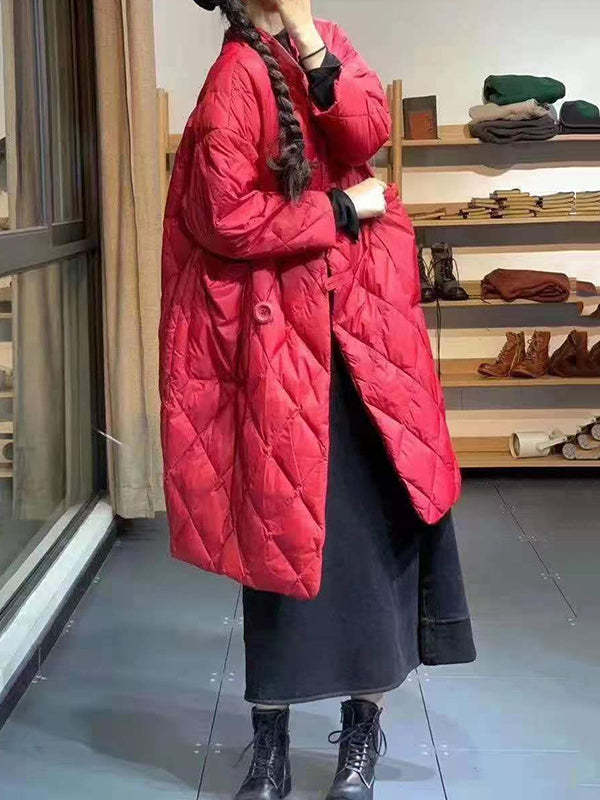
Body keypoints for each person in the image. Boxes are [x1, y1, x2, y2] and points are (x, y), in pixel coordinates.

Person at [158, 1, 476, 798]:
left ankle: (360, 737)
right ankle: (269, 748)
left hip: (366, 338)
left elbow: (366, 132)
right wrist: (337, 208)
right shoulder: (235, 75)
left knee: (375, 538)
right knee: (280, 545)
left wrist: (306, 36)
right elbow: (224, 217)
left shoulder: (326, 43)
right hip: (283, 349)